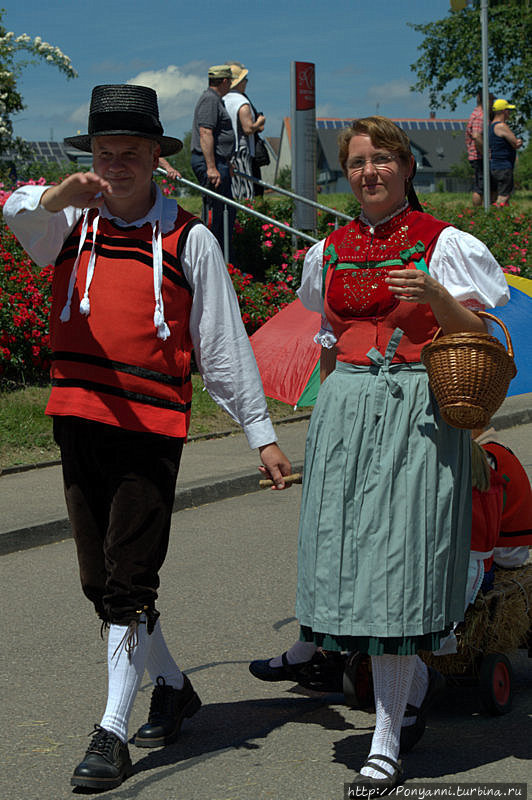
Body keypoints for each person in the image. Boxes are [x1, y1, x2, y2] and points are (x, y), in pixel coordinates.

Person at [4, 83, 291, 791]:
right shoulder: (68, 224)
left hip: (149, 428)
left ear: (157, 159)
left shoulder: (188, 237)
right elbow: (12, 213)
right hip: (78, 417)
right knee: (98, 582)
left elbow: (223, 345)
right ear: (91, 159)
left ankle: (109, 730)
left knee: (128, 578)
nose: (118, 164)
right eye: (106, 153)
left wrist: (260, 433)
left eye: (131, 152)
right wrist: (55, 197)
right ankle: (173, 687)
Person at [249, 116, 509, 789]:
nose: (370, 172)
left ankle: (386, 738)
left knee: (398, 574)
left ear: (406, 168)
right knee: (351, 565)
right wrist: (323, 418)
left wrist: (436, 297)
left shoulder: (441, 243)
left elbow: (480, 333)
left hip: (416, 414)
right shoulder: (328, 250)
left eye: (383, 160)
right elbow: (330, 341)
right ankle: (409, 694)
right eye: (358, 162)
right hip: (344, 416)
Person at [190, 64, 235, 254]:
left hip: (219, 161)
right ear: (224, 81)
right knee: (217, 214)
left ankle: (223, 255)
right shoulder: (210, 100)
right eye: (230, 81)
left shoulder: (215, 99)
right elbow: (205, 132)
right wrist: (211, 167)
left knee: (225, 212)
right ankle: (216, 256)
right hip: (211, 162)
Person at [223, 61, 266, 201]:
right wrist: (259, 122)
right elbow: (248, 128)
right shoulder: (241, 101)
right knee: (245, 189)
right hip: (241, 150)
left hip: (226, 149)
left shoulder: (222, 99)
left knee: (233, 188)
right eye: (244, 80)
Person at [489, 98, 523, 207]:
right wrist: (519, 141)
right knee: (504, 196)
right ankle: (498, 218)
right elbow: (515, 143)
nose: (510, 113)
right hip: (504, 166)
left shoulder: (491, 126)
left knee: (495, 195)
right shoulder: (501, 126)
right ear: (504, 111)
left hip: (494, 165)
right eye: (509, 110)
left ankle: (502, 217)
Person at [465, 90, 493, 207]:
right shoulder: (480, 116)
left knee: (483, 185)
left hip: (478, 155)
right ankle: (476, 213)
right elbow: (476, 136)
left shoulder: (478, 114)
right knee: (480, 187)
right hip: (479, 156)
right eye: (492, 101)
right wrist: (486, 153)